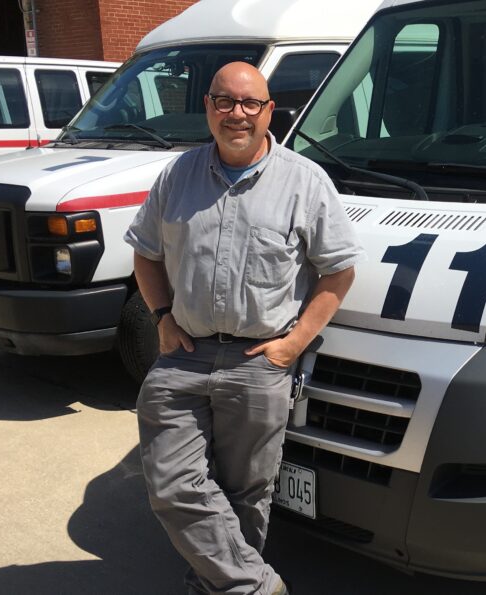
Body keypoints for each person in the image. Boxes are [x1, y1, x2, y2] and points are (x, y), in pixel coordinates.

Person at [124, 61, 364, 595]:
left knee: (245, 495)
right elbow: (146, 254)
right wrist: (162, 317)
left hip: (259, 363)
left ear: (268, 111)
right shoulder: (177, 175)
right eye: (225, 102)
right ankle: (259, 588)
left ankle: (222, 589)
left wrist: (295, 343)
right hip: (183, 357)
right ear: (208, 108)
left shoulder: (305, 182)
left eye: (250, 103)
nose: (238, 114)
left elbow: (338, 270)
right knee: (171, 483)